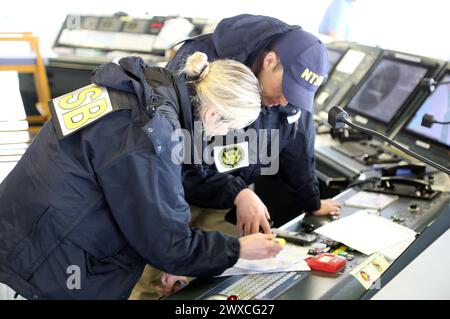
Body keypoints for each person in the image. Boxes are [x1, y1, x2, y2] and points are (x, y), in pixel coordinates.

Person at [0, 52, 284, 300]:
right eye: (231, 129)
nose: (228, 136)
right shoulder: (152, 133)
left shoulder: (146, 89)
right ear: (211, 115)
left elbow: (162, 182)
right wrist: (236, 249)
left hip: (22, 236)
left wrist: (237, 192)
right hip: (38, 271)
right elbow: (168, 244)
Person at [130, 14, 342, 299]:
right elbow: (174, 158)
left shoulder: (288, 94)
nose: (284, 101)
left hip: (227, 201)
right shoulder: (201, 66)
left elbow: (298, 146)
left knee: (209, 288)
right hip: (174, 195)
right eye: (285, 90)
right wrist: (238, 195)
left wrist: (311, 201)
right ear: (269, 62)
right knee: (152, 285)